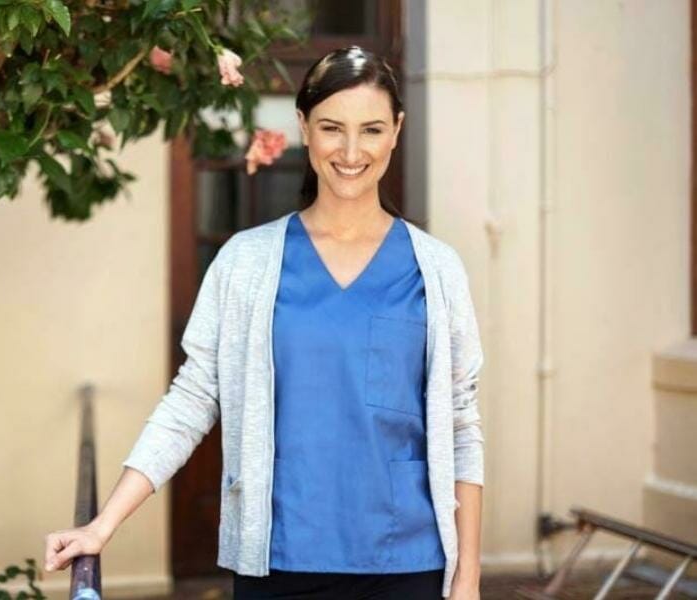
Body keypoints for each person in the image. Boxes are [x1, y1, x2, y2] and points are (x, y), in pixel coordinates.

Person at [44, 45, 484, 600]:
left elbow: (461, 424)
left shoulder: (437, 269)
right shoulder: (246, 261)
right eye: (331, 128)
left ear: (396, 131)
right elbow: (192, 398)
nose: (351, 151)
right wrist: (102, 525)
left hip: (408, 563)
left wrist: (467, 576)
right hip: (278, 564)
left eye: (371, 129)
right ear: (303, 126)